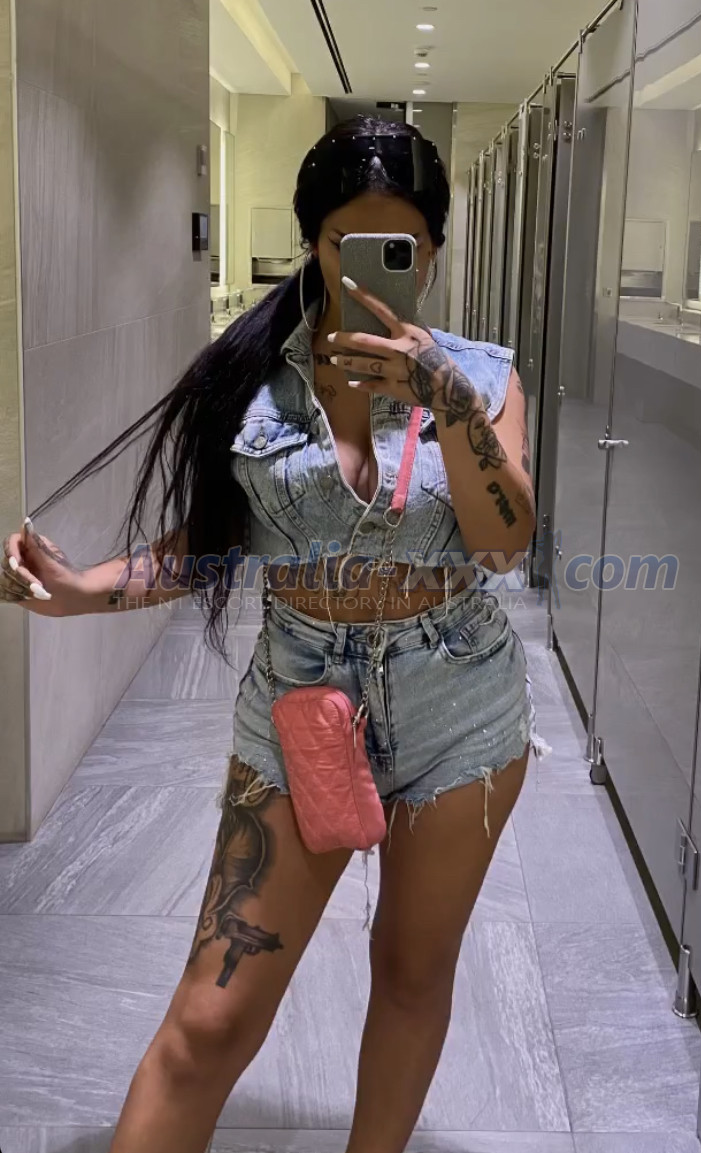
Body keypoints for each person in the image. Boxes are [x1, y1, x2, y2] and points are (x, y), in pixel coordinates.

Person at [0, 116, 548, 1153]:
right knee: (208, 1020)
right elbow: (210, 547)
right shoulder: (247, 381)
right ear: (313, 245)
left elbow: (504, 545)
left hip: (460, 708)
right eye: (347, 243)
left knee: (411, 972)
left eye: (401, 246)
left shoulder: (484, 377)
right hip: (300, 704)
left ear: (433, 251)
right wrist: (79, 590)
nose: (372, 266)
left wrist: (448, 405)